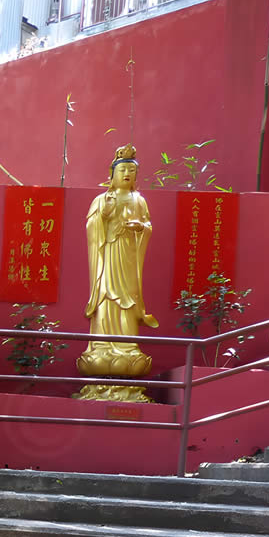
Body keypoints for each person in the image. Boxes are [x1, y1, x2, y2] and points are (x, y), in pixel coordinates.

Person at [76, 144, 157, 381]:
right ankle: (100, 347)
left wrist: (140, 228)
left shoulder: (139, 200)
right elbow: (91, 228)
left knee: (128, 300)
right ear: (112, 174)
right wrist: (102, 216)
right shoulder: (101, 200)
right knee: (105, 298)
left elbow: (148, 227)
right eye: (122, 170)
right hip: (106, 257)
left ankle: (128, 348)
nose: (126, 174)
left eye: (131, 171)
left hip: (128, 259)